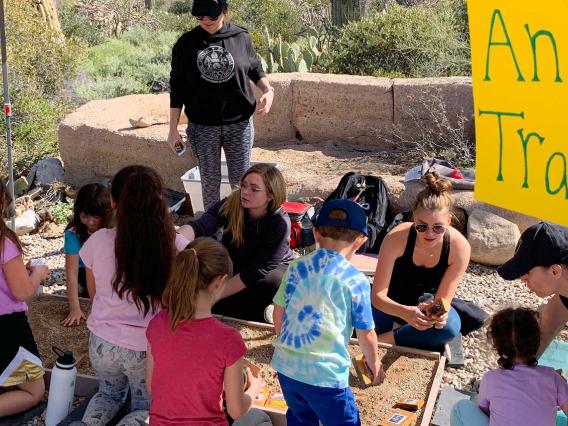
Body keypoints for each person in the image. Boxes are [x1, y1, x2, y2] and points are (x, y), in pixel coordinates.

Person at [77, 166, 188, 425]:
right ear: (160, 201)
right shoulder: (176, 245)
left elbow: (93, 294)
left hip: (102, 342)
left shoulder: (98, 240)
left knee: (107, 395)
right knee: (145, 406)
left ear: (114, 203)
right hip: (147, 347)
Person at [271, 199, 385, 426]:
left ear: (316, 233)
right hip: (326, 376)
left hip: (286, 369)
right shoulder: (356, 280)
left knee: (300, 417)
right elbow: (366, 333)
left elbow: (279, 311)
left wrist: (283, 341)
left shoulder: (295, 267)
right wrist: (374, 362)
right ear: (360, 241)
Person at [146, 237, 271, 426]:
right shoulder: (228, 340)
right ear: (220, 282)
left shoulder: (156, 324)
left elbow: (152, 386)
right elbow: (236, 411)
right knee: (260, 419)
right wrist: (254, 388)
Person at [167, 0, 275, 210]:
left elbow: (254, 68)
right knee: (209, 183)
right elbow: (177, 88)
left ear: (224, 11)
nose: (206, 21)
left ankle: (240, 229)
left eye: (212, 16)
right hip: (203, 126)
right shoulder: (186, 44)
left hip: (239, 124)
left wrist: (268, 90)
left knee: (241, 183)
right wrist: (172, 129)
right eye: (200, 17)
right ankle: (212, 234)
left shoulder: (240, 37)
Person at [178, 163, 294, 322]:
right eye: (244, 186)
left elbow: (255, 271)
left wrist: (213, 297)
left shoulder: (280, 224)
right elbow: (202, 225)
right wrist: (175, 239)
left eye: (254, 189)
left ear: (271, 195)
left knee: (268, 285)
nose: (245, 192)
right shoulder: (232, 203)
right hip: (235, 263)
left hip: (266, 272)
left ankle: (269, 310)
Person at [371, 172, 470, 351]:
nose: (429, 234)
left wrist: (439, 315)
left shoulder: (459, 247)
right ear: (413, 220)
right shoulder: (396, 238)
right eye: (422, 226)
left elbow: (443, 300)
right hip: (390, 302)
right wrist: (404, 312)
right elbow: (377, 297)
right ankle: (408, 336)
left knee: (449, 327)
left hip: (426, 307)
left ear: (449, 222)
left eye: (438, 227)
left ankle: (387, 339)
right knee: (353, 305)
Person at [450, 307, 568, 426]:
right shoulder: (553, 378)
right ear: (537, 341)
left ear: (497, 345)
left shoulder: (491, 379)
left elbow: (486, 412)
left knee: (461, 407)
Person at [0, 181, 49, 417]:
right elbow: (23, 292)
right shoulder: (4, 241)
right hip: (7, 328)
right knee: (34, 390)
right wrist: (37, 274)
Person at [497, 221, 568, 355]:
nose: (522, 279)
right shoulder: (564, 292)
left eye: (527, 272)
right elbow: (538, 344)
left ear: (555, 271)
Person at [62, 183, 112, 327]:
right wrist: (75, 308)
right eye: (85, 216)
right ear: (78, 213)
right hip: (84, 274)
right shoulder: (73, 234)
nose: (90, 222)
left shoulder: (115, 226)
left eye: (96, 217)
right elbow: (71, 273)